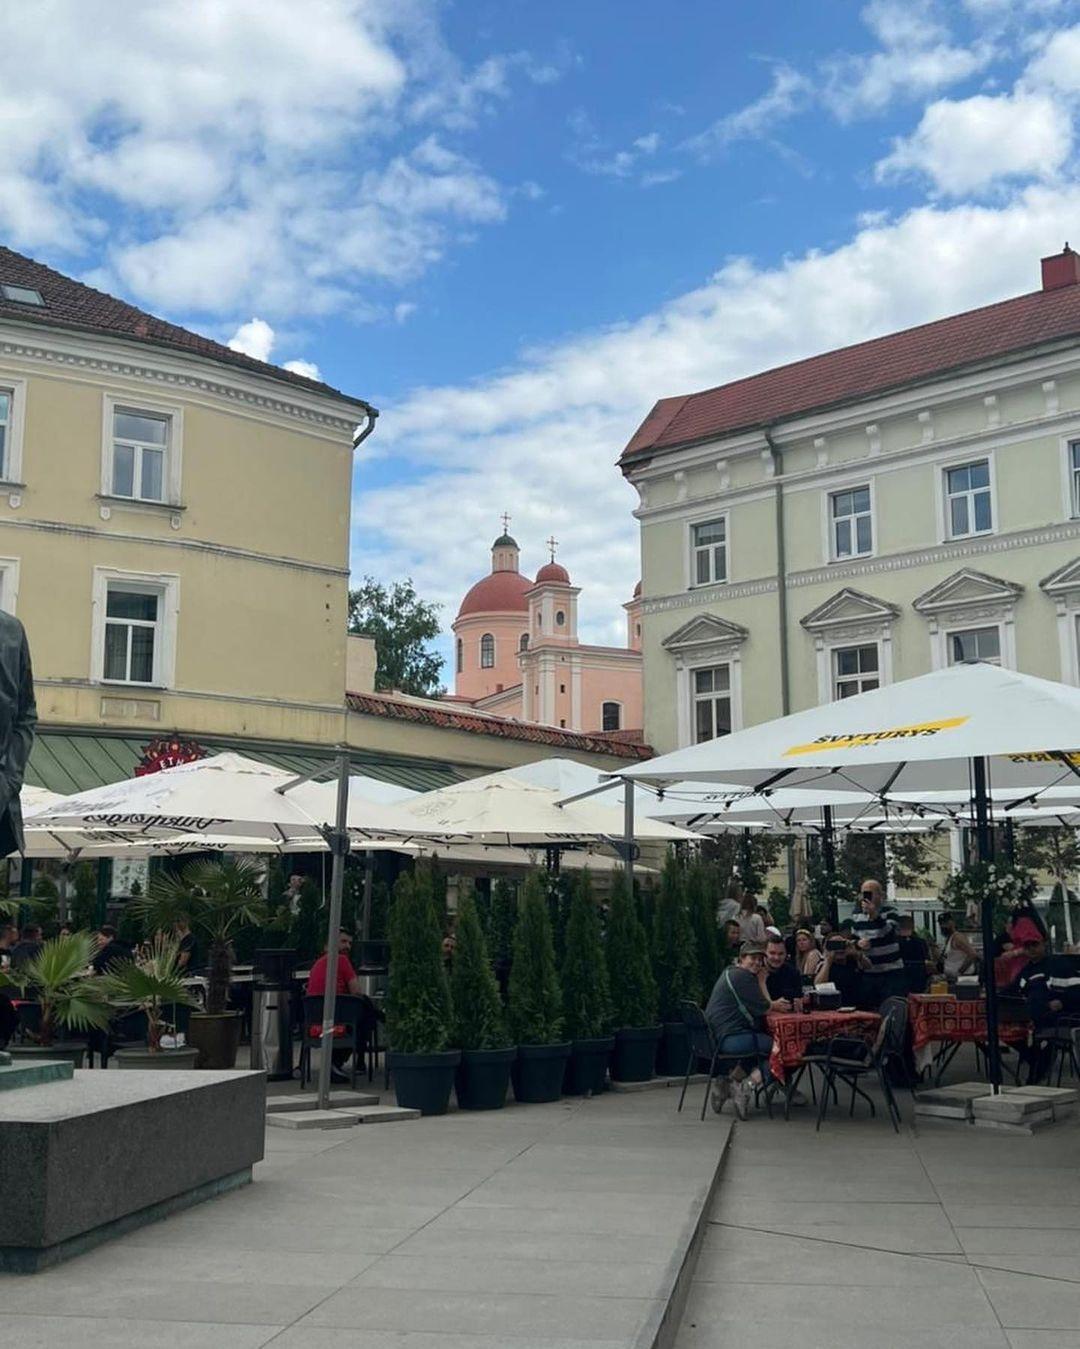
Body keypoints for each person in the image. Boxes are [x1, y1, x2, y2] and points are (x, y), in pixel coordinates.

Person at [704, 942, 778, 1120]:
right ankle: (747, 1086)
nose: (757, 963)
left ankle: (727, 1084)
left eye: (760, 959)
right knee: (782, 1048)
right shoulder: (743, 977)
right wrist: (762, 981)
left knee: (759, 1050)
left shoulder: (729, 972)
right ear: (741, 959)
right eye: (753, 958)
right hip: (730, 1039)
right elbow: (765, 1007)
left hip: (718, 1038)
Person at [1011, 936, 1080, 1083]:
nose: (1031, 949)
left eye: (1034, 944)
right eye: (1027, 946)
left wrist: (1062, 1002)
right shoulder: (1026, 970)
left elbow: (1077, 991)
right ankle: (1035, 1063)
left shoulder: (1059, 964)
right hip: (1029, 1018)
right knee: (1001, 1030)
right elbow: (1012, 990)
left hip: (1062, 1017)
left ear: (1044, 945)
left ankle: (1035, 1074)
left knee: (1043, 1039)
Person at [306, 929, 362, 1084]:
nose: (348, 946)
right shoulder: (342, 960)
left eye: (350, 943)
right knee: (364, 1019)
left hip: (314, 1023)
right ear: (330, 944)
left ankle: (334, 1064)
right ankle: (342, 1063)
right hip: (335, 1022)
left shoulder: (317, 964)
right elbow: (356, 991)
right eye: (343, 942)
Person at [850, 879, 906, 1008]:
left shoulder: (890, 911)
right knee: (868, 1008)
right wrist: (858, 944)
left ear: (880, 895)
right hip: (869, 971)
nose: (866, 897)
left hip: (891, 972)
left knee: (891, 1007)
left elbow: (889, 933)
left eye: (870, 893)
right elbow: (854, 938)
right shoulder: (857, 915)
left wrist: (874, 914)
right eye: (863, 893)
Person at [995, 902, 1047, 990]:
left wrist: (1013, 953)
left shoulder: (1024, 922)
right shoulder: (1024, 921)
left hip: (1022, 963)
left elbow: (1032, 943)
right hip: (1017, 963)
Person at [815, 929, 865, 1007]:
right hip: (836, 1006)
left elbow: (869, 967)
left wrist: (856, 953)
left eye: (841, 944)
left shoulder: (853, 960)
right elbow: (818, 984)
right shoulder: (824, 965)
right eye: (834, 945)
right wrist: (828, 961)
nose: (838, 949)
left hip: (858, 1005)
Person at [897, 914, 932, 995]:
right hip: (919, 980)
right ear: (912, 926)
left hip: (900, 979)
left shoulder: (894, 943)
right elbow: (927, 961)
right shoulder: (921, 942)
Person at [764, 936, 803, 1005]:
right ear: (764, 953)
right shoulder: (756, 972)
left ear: (786, 954)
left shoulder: (793, 973)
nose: (777, 958)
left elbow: (799, 997)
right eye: (772, 953)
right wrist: (773, 1005)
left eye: (781, 954)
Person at [939, 912, 978, 980]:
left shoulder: (958, 938)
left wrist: (959, 972)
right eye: (941, 923)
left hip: (963, 978)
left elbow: (973, 954)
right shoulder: (949, 938)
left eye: (946, 923)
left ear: (952, 923)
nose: (943, 926)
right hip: (952, 978)